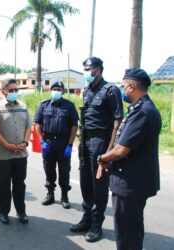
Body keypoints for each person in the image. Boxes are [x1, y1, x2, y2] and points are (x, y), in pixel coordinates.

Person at [96, 68, 161, 250]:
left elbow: (121, 150)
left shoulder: (142, 112)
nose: (122, 90)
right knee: (132, 228)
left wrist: (102, 158)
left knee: (126, 232)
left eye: (124, 87)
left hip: (130, 183)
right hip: (135, 181)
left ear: (132, 86)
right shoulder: (144, 108)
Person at [70, 57, 123, 242]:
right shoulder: (86, 90)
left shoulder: (111, 90)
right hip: (85, 140)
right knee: (85, 181)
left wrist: (108, 153)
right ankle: (86, 218)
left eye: (89, 68)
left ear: (98, 69)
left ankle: (96, 225)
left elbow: (117, 122)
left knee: (99, 184)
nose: (86, 71)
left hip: (101, 140)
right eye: (84, 68)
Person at [0, 79, 31, 225]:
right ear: (3, 91)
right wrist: (8, 145)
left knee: (20, 184)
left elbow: (28, 127)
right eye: (11, 90)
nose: (14, 92)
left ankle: (21, 211)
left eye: (16, 90)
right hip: (3, 154)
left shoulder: (24, 106)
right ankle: (3, 211)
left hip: (21, 153)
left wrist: (25, 143)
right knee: (3, 184)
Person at [34, 81, 79, 209]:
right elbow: (37, 124)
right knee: (49, 169)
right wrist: (41, 141)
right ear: (50, 90)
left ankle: (64, 196)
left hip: (63, 143)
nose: (57, 91)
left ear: (63, 92)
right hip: (48, 142)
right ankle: (50, 194)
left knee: (64, 171)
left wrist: (70, 145)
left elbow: (74, 126)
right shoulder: (44, 105)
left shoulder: (69, 106)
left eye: (59, 89)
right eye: (55, 89)